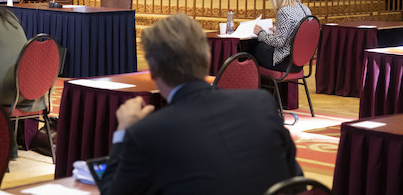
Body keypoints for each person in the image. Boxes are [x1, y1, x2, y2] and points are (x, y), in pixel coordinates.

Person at [99, 13, 302, 195]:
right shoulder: (261, 104)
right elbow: (297, 182)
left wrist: (123, 132)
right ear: (207, 58)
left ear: (153, 70)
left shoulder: (146, 133)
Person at [252, 0, 312, 72]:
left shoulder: (283, 12)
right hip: (299, 61)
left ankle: (254, 84)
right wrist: (279, 30)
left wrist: (260, 33)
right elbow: (299, 32)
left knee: (256, 47)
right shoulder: (304, 8)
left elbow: (278, 42)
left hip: (285, 63)